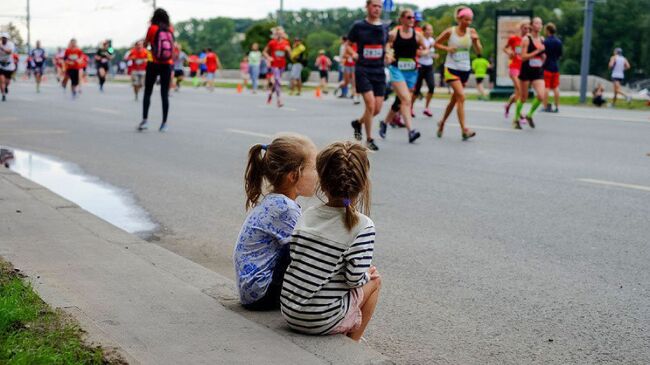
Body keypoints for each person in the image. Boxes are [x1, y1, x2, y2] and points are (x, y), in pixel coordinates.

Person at [280, 141, 381, 341]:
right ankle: (353, 342)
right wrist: (366, 276)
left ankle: (343, 324)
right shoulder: (363, 225)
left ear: (323, 184)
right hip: (319, 320)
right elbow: (353, 279)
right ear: (361, 185)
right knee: (376, 280)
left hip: (290, 311)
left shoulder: (307, 215)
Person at [234, 134, 318, 310]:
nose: (319, 175)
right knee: (306, 250)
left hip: (252, 291)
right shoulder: (285, 208)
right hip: (262, 294)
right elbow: (303, 252)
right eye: (315, 169)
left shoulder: (277, 201)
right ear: (294, 175)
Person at [378, 8, 426, 143]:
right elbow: (387, 45)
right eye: (409, 17)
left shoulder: (417, 35)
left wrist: (424, 52)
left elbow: (426, 47)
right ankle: (411, 131)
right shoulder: (394, 33)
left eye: (413, 18)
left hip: (411, 71)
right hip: (397, 69)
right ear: (402, 19)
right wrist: (388, 53)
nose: (412, 20)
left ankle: (385, 123)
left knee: (400, 101)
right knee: (406, 100)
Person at [434, 6, 482, 140]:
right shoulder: (450, 32)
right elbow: (436, 44)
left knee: (454, 100)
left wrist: (476, 41)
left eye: (470, 20)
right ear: (459, 19)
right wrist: (448, 48)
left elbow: (479, 52)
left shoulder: (472, 32)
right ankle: (464, 130)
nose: (468, 22)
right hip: (451, 68)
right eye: (466, 19)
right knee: (461, 96)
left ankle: (442, 122)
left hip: (465, 69)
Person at [348, 0, 389, 151]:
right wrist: (353, 53)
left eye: (379, 6)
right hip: (363, 69)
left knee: (377, 109)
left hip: (379, 70)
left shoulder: (385, 26)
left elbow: (387, 44)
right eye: (374, 6)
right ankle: (370, 139)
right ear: (367, 7)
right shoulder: (359, 26)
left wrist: (389, 54)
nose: (377, 9)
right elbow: (348, 45)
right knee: (370, 105)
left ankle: (358, 123)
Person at [138, 8, 175, 132]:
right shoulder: (170, 29)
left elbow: (145, 44)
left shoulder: (152, 28)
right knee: (164, 94)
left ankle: (145, 121)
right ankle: (164, 123)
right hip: (167, 64)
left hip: (153, 63)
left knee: (148, 92)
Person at [512, 16, 546, 129]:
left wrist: (543, 56)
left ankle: (529, 115)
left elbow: (542, 55)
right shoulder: (526, 39)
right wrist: (537, 51)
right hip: (526, 71)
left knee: (541, 95)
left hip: (537, 71)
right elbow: (523, 57)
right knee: (523, 98)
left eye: (540, 23)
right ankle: (516, 119)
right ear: (532, 25)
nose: (539, 25)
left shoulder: (542, 39)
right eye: (536, 23)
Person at [503, 20, 529, 118]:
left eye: (528, 28)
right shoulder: (514, 39)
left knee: (518, 92)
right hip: (514, 67)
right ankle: (520, 115)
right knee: (519, 89)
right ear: (521, 28)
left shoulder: (528, 40)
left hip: (523, 68)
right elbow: (505, 48)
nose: (527, 30)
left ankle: (508, 106)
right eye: (525, 28)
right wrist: (509, 53)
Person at [263, 27, 291, 107]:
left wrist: (288, 50)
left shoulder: (286, 43)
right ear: (275, 34)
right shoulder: (272, 42)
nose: (279, 35)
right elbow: (264, 52)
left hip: (282, 65)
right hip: (274, 64)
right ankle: (279, 100)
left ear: (283, 34)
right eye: (277, 34)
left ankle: (271, 94)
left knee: (276, 83)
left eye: (280, 34)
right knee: (277, 80)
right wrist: (268, 57)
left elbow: (290, 55)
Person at [414, 23, 436, 117]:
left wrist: (433, 55)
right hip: (420, 65)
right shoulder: (420, 39)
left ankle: (426, 108)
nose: (430, 32)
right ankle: (410, 107)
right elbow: (418, 53)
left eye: (431, 30)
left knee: (431, 86)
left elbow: (430, 53)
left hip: (429, 66)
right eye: (428, 29)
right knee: (417, 89)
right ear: (423, 31)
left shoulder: (432, 40)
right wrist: (426, 51)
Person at [542, 22, 562, 112]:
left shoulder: (545, 42)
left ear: (547, 30)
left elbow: (543, 54)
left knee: (546, 87)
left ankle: (545, 106)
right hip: (555, 66)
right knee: (556, 87)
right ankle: (557, 106)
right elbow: (560, 55)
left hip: (547, 66)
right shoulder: (558, 41)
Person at [0, 33, 16, 102]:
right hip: (1, 65)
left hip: (9, 66)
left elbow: (9, 52)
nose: (4, 39)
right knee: (2, 81)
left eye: (5, 38)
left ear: (7, 39)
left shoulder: (10, 44)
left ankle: (6, 87)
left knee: (7, 82)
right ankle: (3, 95)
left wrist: (1, 48)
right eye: (2, 38)